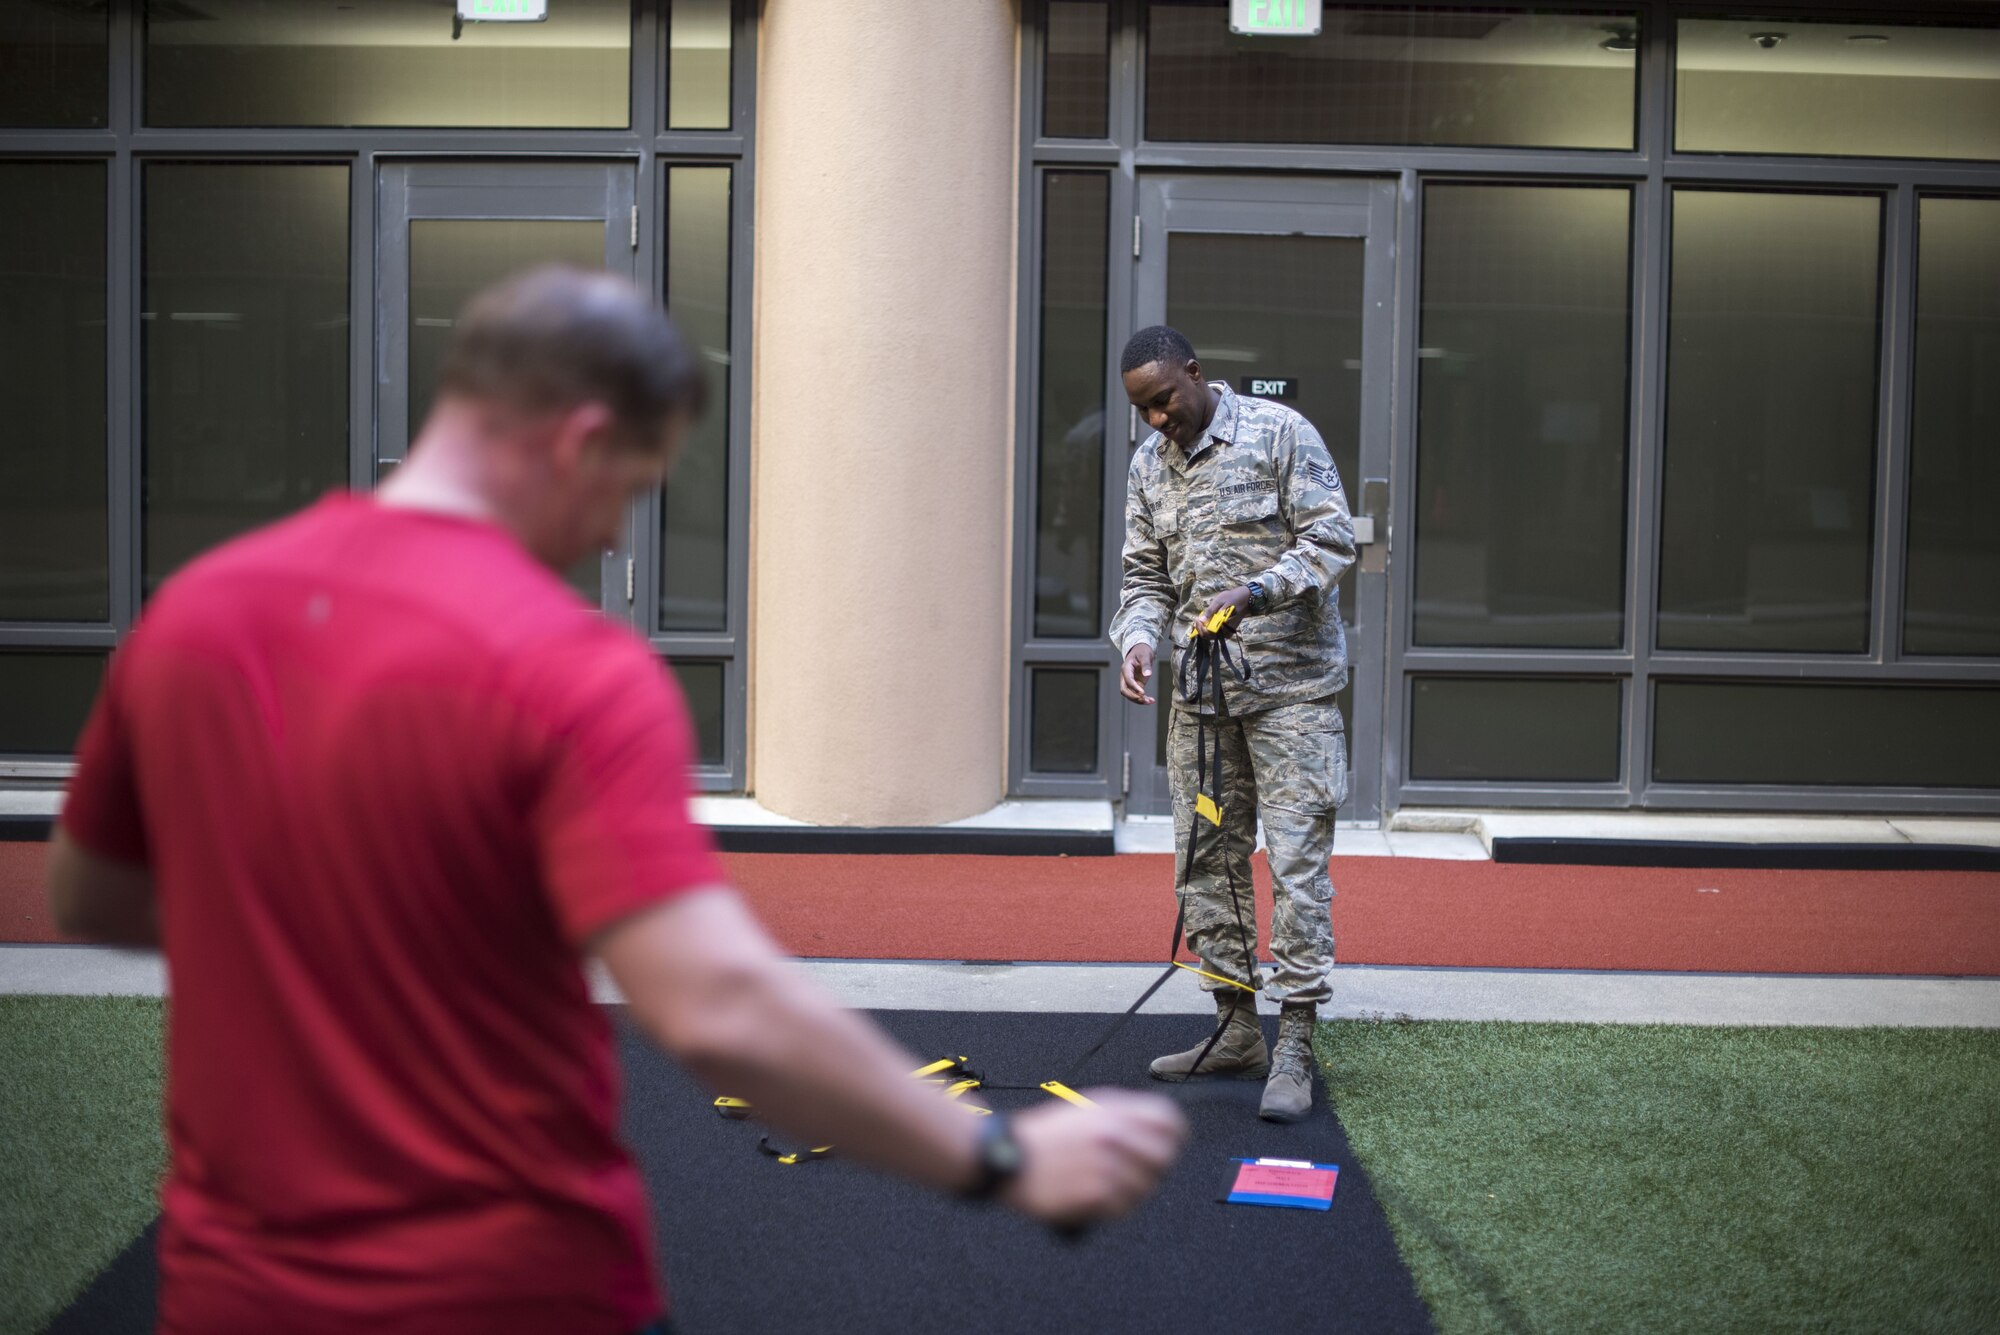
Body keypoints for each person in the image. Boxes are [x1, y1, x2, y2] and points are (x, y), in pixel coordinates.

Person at [46, 267, 1188, 1335]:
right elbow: (718, 1013)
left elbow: (91, 897)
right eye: (631, 489)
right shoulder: (564, 668)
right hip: (514, 1291)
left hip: (232, 1293)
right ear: (582, 439)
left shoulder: (198, 609)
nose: (611, 533)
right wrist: (1001, 1159)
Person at [1109, 325, 1356, 1124]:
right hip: (1204, 702)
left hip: (1293, 695)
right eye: (1142, 410)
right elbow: (1143, 574)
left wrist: (1255, 592)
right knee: (1204, 859)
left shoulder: (1280, 433)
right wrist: (1140, 638)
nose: (1156, 421)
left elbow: (1332, 539)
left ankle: (1295, 1042)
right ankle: (1236, 1025)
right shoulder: (1149, 466)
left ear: (1194, 373)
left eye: (1163, 400)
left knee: (1294, 868)